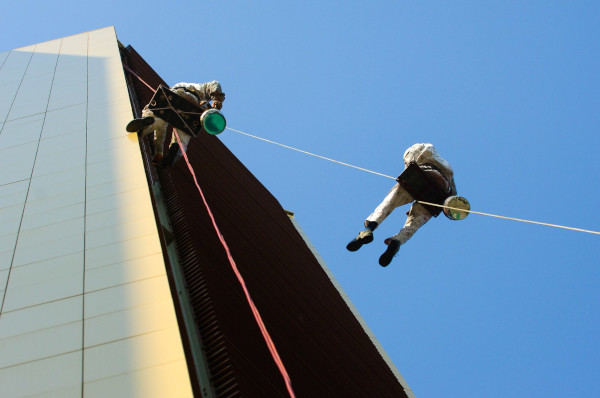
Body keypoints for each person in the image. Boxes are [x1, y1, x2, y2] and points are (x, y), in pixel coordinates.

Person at [346, 143, 457, 267]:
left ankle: (368, 230)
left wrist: (407, 168)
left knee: (388, 203)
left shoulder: (424, 147)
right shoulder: (449, 169)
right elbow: (453, 198)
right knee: (415, 223)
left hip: (420, 175)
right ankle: (398, 240)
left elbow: (410, 159)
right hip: (440, 189)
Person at [126, 81, 225, 163]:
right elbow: (214, 84)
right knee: (185, 133)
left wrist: (158, 152)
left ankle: (146, 125)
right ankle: (176, 150)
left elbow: (161, 130)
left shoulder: (182, 85)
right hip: (191, 103)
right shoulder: (201, 90)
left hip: (174, 96)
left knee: (160, 119)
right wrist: (216, 101)